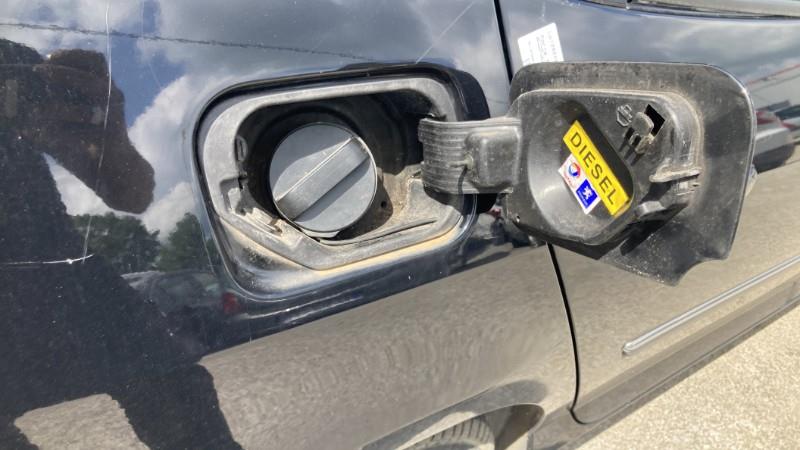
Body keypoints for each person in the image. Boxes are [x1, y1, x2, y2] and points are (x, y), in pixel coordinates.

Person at [0, 39, 242, 450]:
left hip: (74, 286)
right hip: (68, 296)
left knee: (190, 419)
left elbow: (132, 195)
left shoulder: (9, 62)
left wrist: (107, 135)